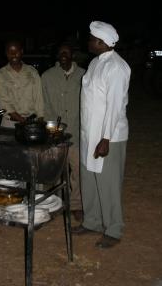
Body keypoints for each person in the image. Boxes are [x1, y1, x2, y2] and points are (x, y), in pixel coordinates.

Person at [72, 21, 131, 249]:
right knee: (90, 180)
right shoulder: (96, 63)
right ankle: (93, 221)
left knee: (108, 184)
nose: (88, 41)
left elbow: (115, 106)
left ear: (100, 42)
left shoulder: (116, 67)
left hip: (109, 136)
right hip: (90, 133)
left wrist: (105, 138)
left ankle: (114, 229)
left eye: (91, 38)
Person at [41, 42, 85, 222]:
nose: (64, 55)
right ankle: (49, 203)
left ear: (73, 54)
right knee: (51, 172)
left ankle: (76, 205)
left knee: (78, 171)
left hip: (77, 130)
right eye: (60, 52)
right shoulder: (47, 76)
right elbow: (44, 104)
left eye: (67, 52)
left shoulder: (84, 75)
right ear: (57, 55)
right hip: (54, 134)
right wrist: (50, 130)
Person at [0, 39, 44, 127]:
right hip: (10, 124)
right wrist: (23, 121)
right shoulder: (0, 74)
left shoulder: (32, 72)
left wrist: (40, 120)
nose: (13, 54)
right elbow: (4, 103)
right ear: (6, 53)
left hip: (32, 123)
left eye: (16, 51)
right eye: (10, 52)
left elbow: (39, 98)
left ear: (21, 52)